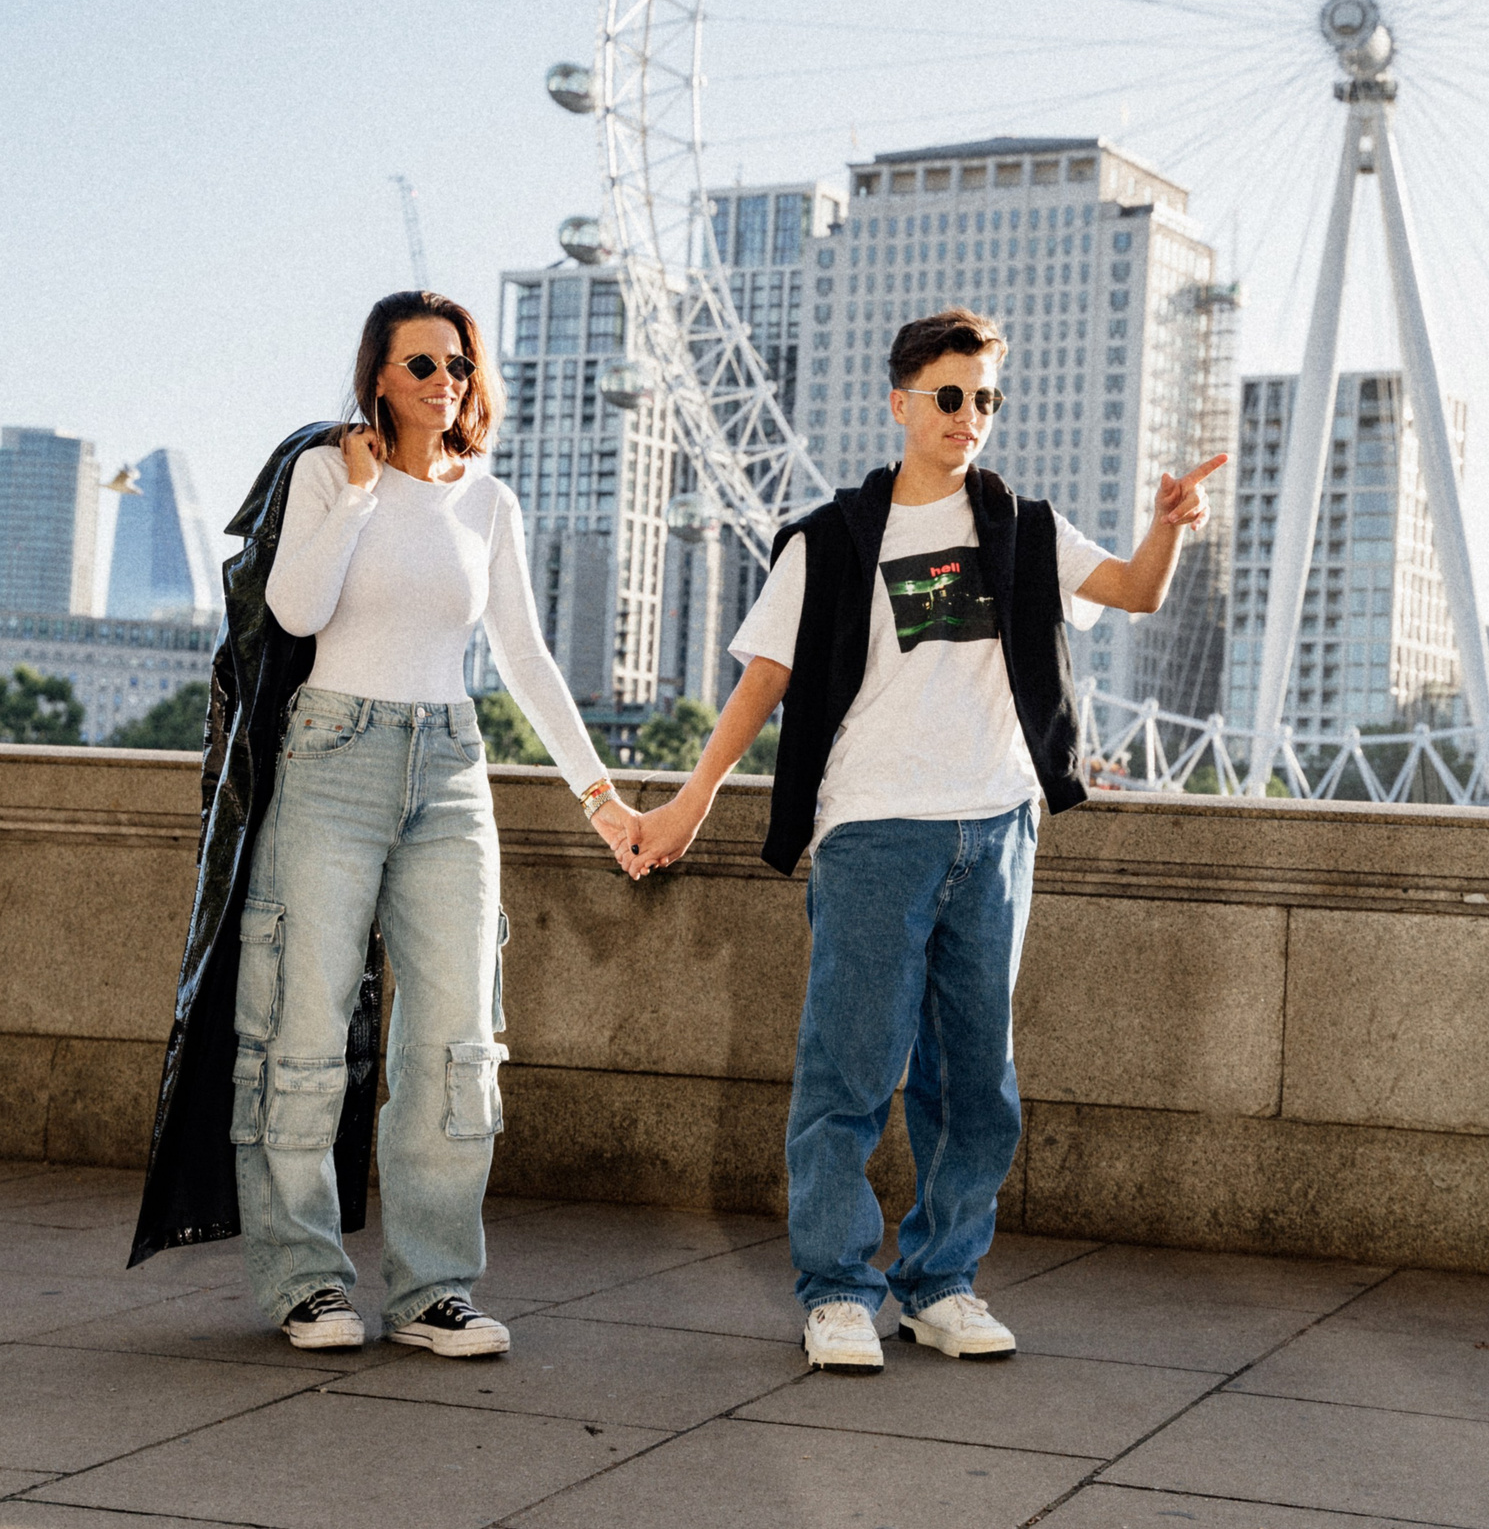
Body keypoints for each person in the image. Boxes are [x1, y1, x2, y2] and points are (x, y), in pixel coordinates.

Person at [631, 306, 1225, 1373]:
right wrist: (691, 798)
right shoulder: (832, 540)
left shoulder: (1026, 529)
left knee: (978, 1083)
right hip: (872, 829)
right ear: (898, 400)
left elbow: (1134, 591)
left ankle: (941, 1280)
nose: (969, 418)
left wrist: (1172, 521)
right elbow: (761, 679)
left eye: (986, 399)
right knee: (848, 1071)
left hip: (996, 827)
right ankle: (838, 1289)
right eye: (949, 396)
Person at [128, 290, 648, 1359]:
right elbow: (296, 611)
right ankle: (306, 1278)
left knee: (458, 1042)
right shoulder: (325, 472)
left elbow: (523, 657)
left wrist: (600, 796)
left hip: (452, 767)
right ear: (377, 375)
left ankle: (432, 1289)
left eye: (455, 362)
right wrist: (360, 495)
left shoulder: (490, 502)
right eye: (419, 364)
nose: (441, 380)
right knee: (303, 1032)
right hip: (331, 759)